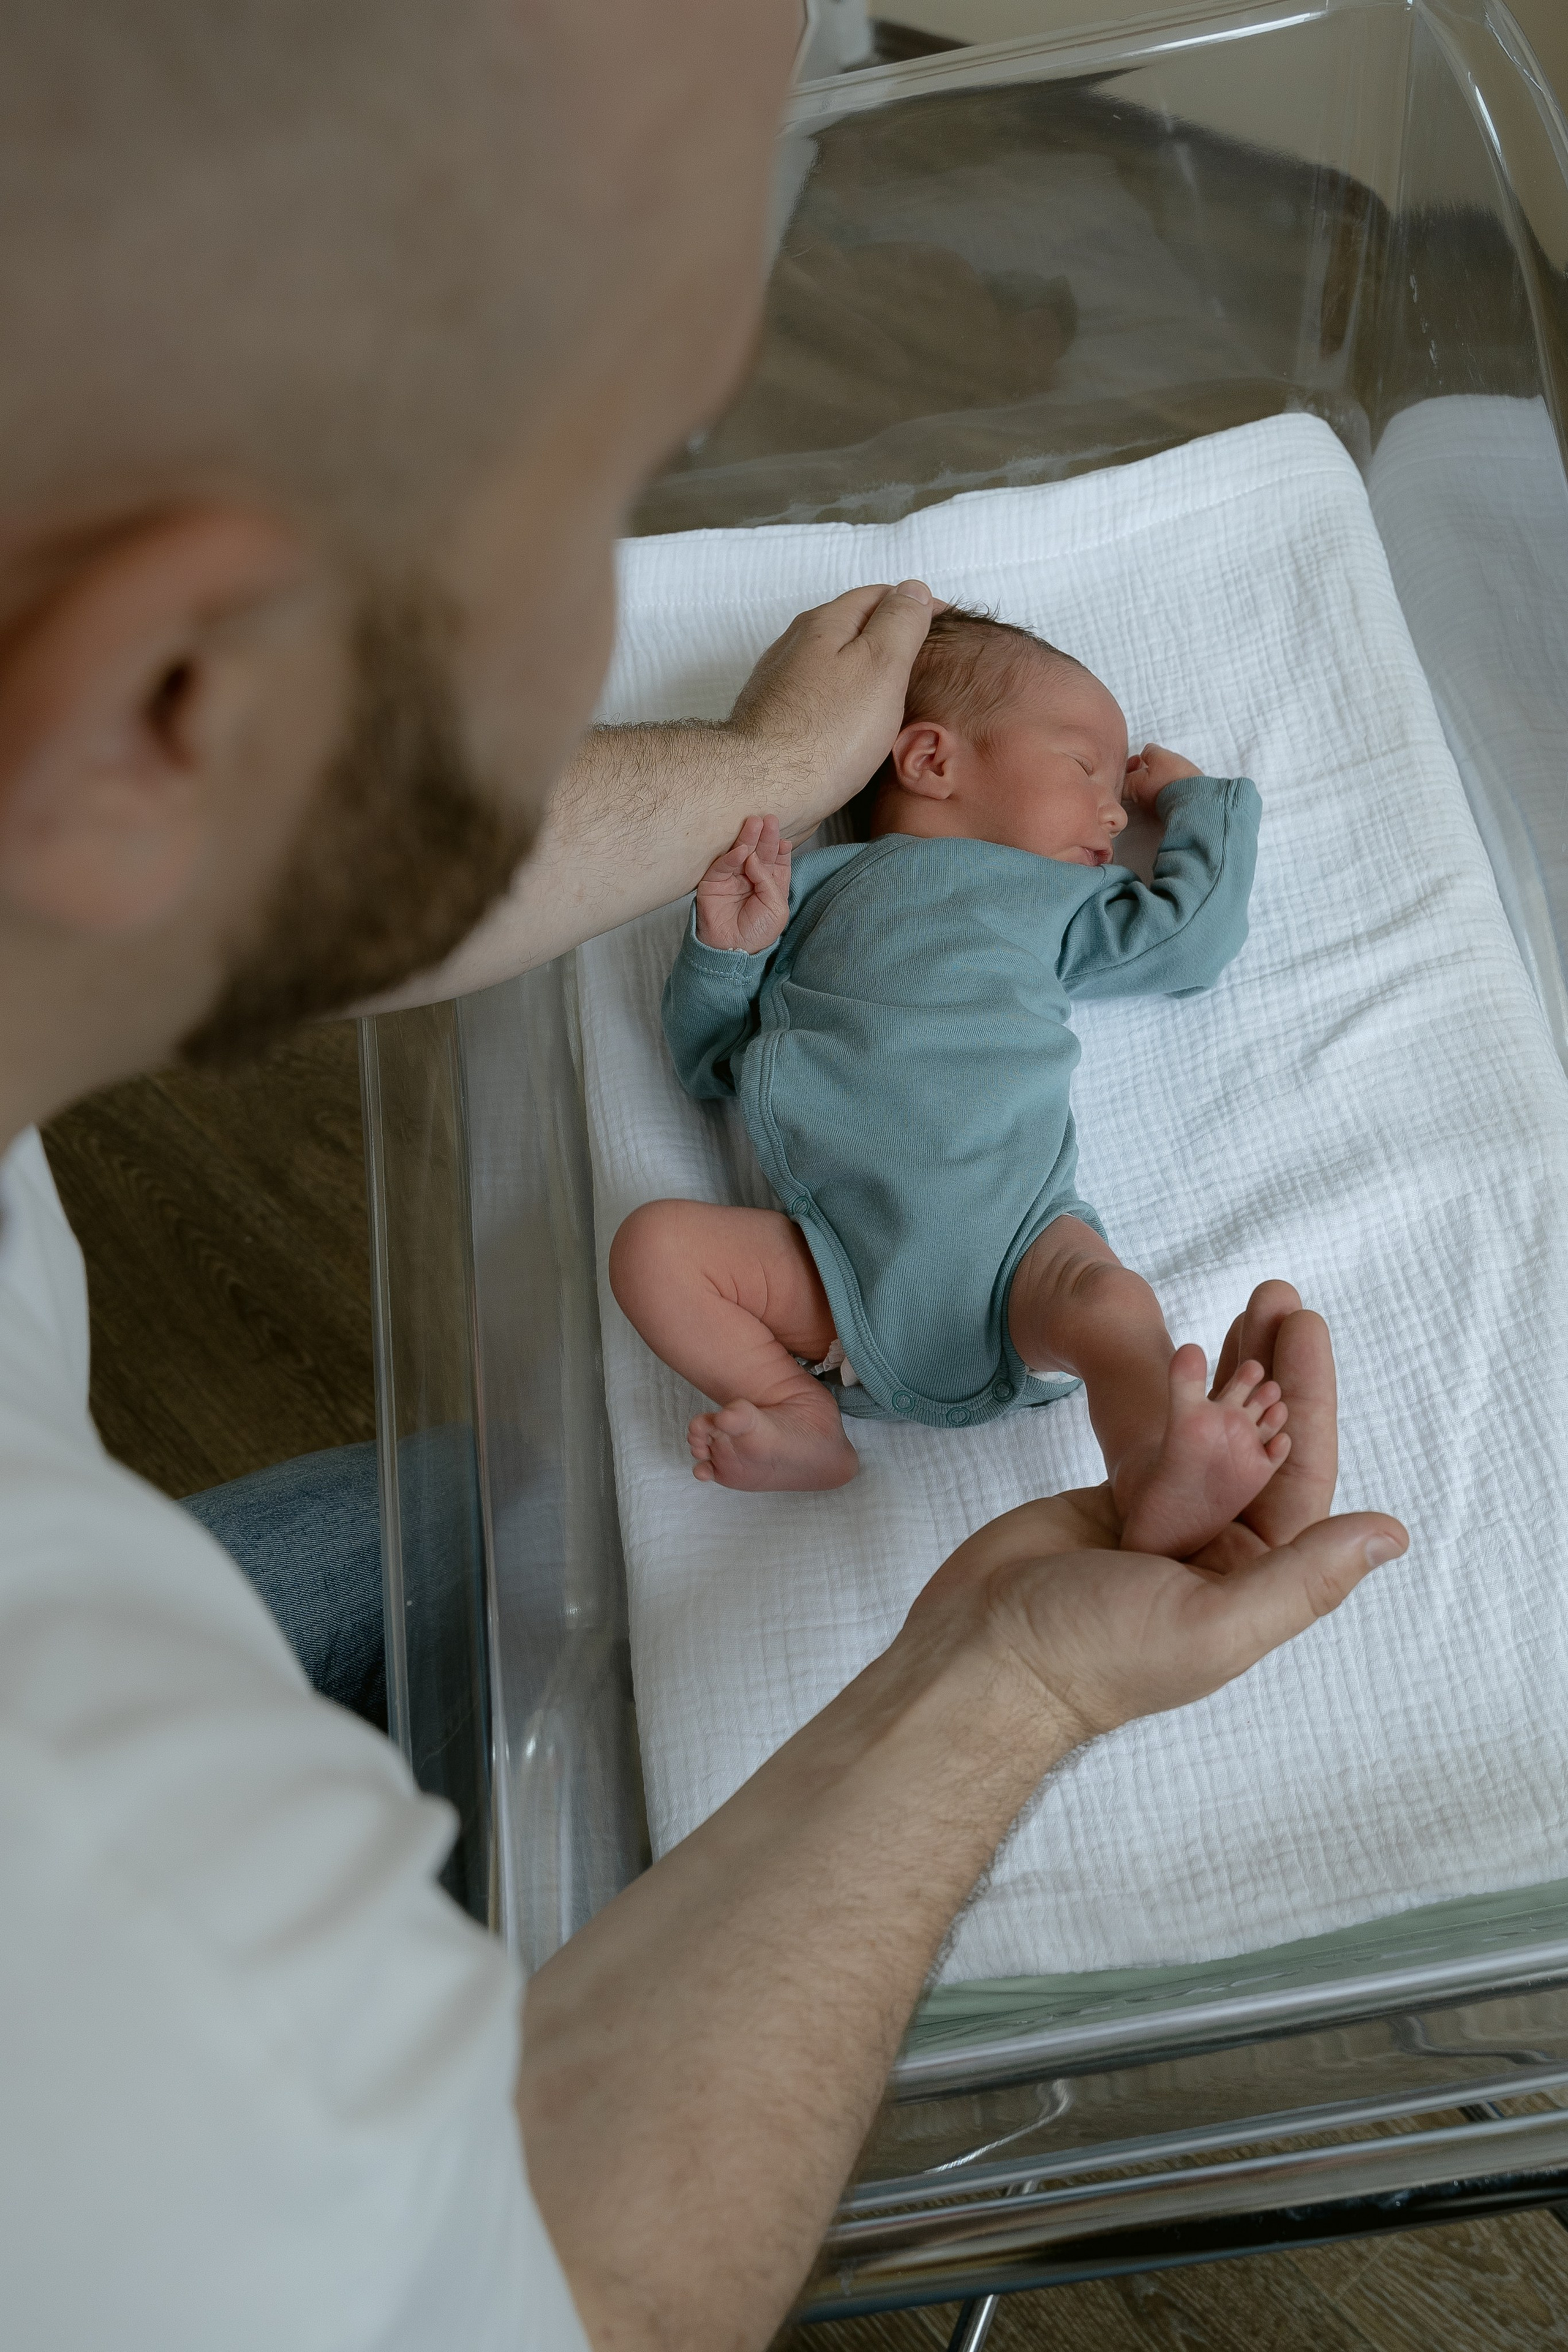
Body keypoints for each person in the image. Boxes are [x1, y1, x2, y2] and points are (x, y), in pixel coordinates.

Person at [0, 6, 1407, 2348]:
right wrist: (1006, 1685)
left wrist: (775, 770)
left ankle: (1099, 1413)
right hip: (823, 1295)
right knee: (640, 1330)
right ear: (170, 690)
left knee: (502, 1505)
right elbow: (588, 2297)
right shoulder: (117, 1962)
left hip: (991, 1266)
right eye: (614, 480)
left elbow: (1178, 919)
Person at [612, 608, 1289, 1560]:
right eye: (1086, 768)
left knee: (1109, 1303)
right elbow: (714, 1063)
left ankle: (1150, 1461)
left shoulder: (1058, 902)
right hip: (836, 1261)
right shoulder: (810, 890)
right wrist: (728, 950)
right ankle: (796, 1409)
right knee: (653, 1249)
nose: (1114, 810)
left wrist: (1199, 806)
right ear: (932, 761)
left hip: (1024, 1246)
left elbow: (1193, 938)